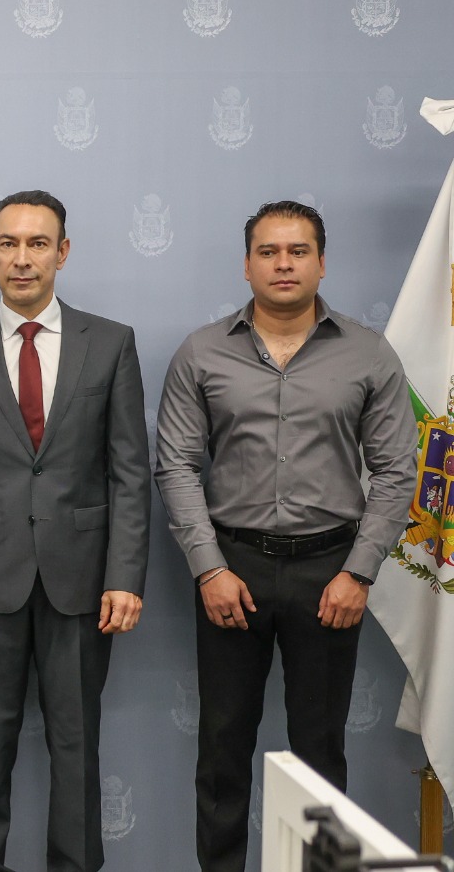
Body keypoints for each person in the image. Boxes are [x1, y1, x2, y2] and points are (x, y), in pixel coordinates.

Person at [154, 199, 415, 872]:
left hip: (331, 574)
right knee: (222, 748)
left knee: (320, 751)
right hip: (230, 570)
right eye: (268, 251)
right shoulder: (202, 352)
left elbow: (396, 470)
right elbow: (175, 464)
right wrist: (209, 568)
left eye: (298, 251)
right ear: (246, 265)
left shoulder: (368, 353)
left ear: (322, 263)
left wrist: (359, 572)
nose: (283, 264)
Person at [0, 190, 149, 872]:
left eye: (38, 243)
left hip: (81, 581)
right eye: (9, 243)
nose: (23, 258)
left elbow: (129, 472)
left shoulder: (110, 342)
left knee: (76, 744)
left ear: (63, 252)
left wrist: (125, 577)